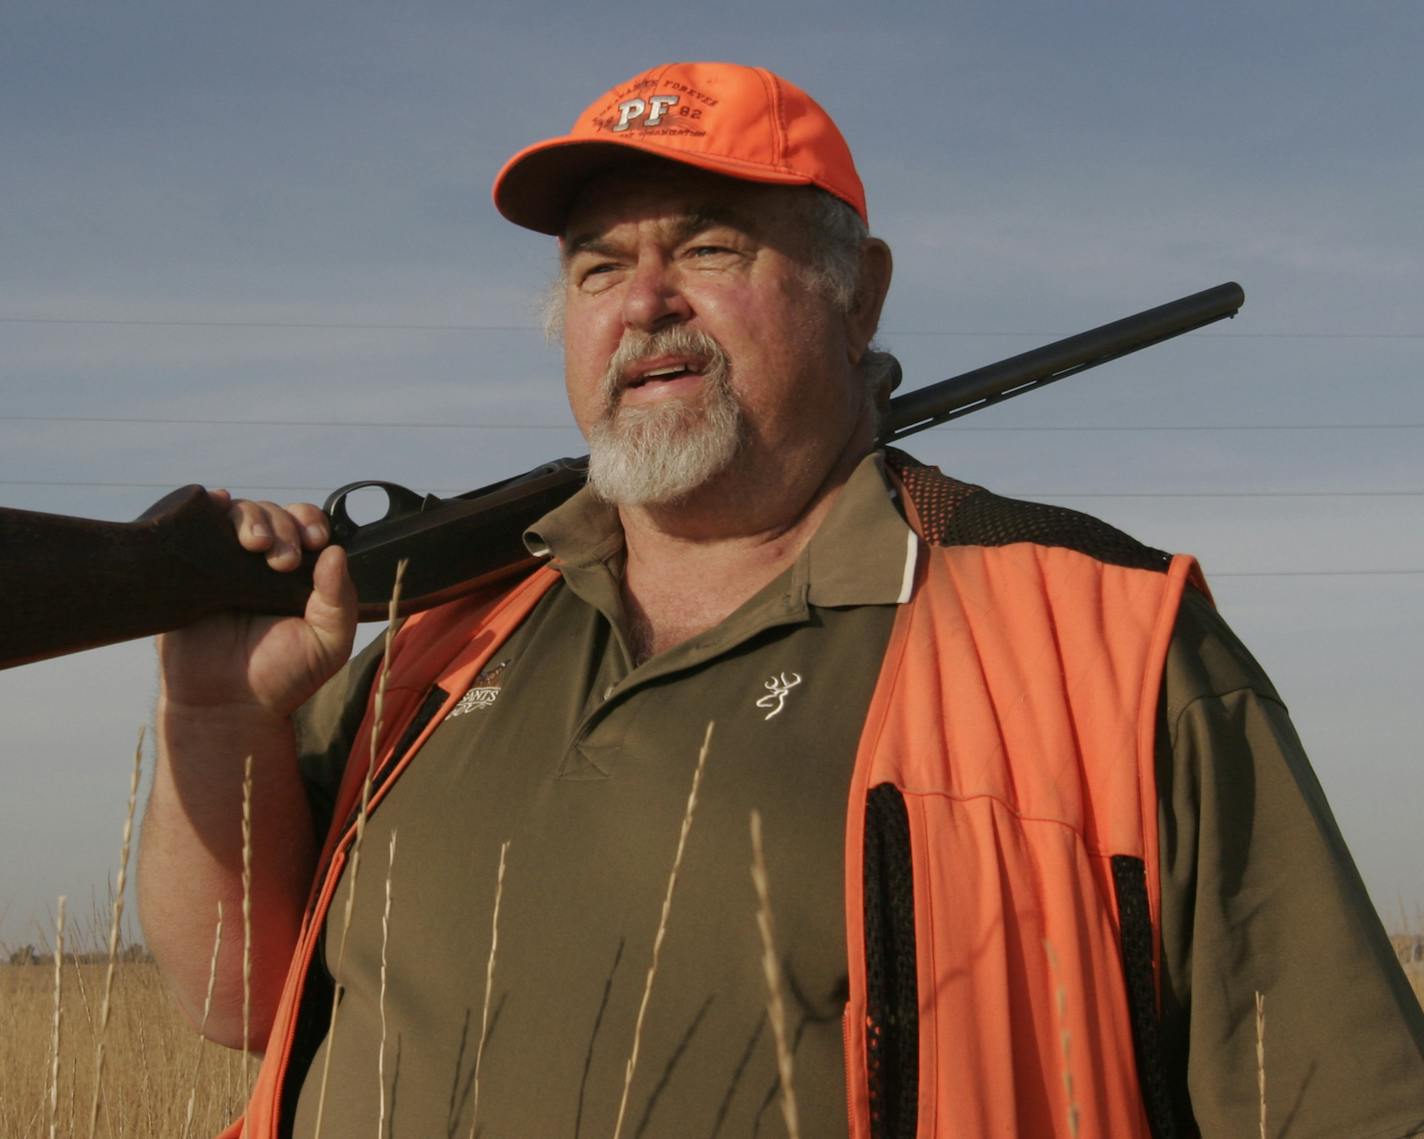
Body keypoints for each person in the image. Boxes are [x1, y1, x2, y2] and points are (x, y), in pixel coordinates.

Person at [138, 61, 1424, 1138]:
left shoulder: (1105, 644)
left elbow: (1334, 1097)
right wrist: (210, 715)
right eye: (597, 268)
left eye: (706, 246)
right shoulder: (436, 647)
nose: (644, 301)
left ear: (855, 292)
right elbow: (238, 999)